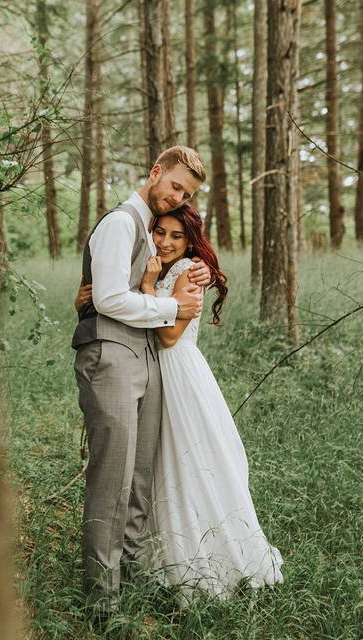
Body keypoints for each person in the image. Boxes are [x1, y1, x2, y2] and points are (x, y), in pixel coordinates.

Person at [77, 204, 284, 605]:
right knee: (154, 465)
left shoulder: (188, 270)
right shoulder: (147, 262)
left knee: (190, 461)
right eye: (160, 233)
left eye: (177, 236)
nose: (166, 242)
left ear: (191, 241)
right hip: (153, 371)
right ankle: (148, 553)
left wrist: (152, 287)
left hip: (178, 371)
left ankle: (202, 556)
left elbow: (170, 336)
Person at [70, 146, 211, 617]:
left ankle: (126, 579)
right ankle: (102, 601)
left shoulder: (150, 233)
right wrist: (172, 307)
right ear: (155, 172)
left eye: (186, 194)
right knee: (112, 478)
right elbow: (109, 298)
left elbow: (123, 288)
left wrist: (195, 273)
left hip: (144, 357)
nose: (176, 197)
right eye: (174, 186)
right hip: (111, 356)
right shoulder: (120, 223)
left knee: (139, 478)